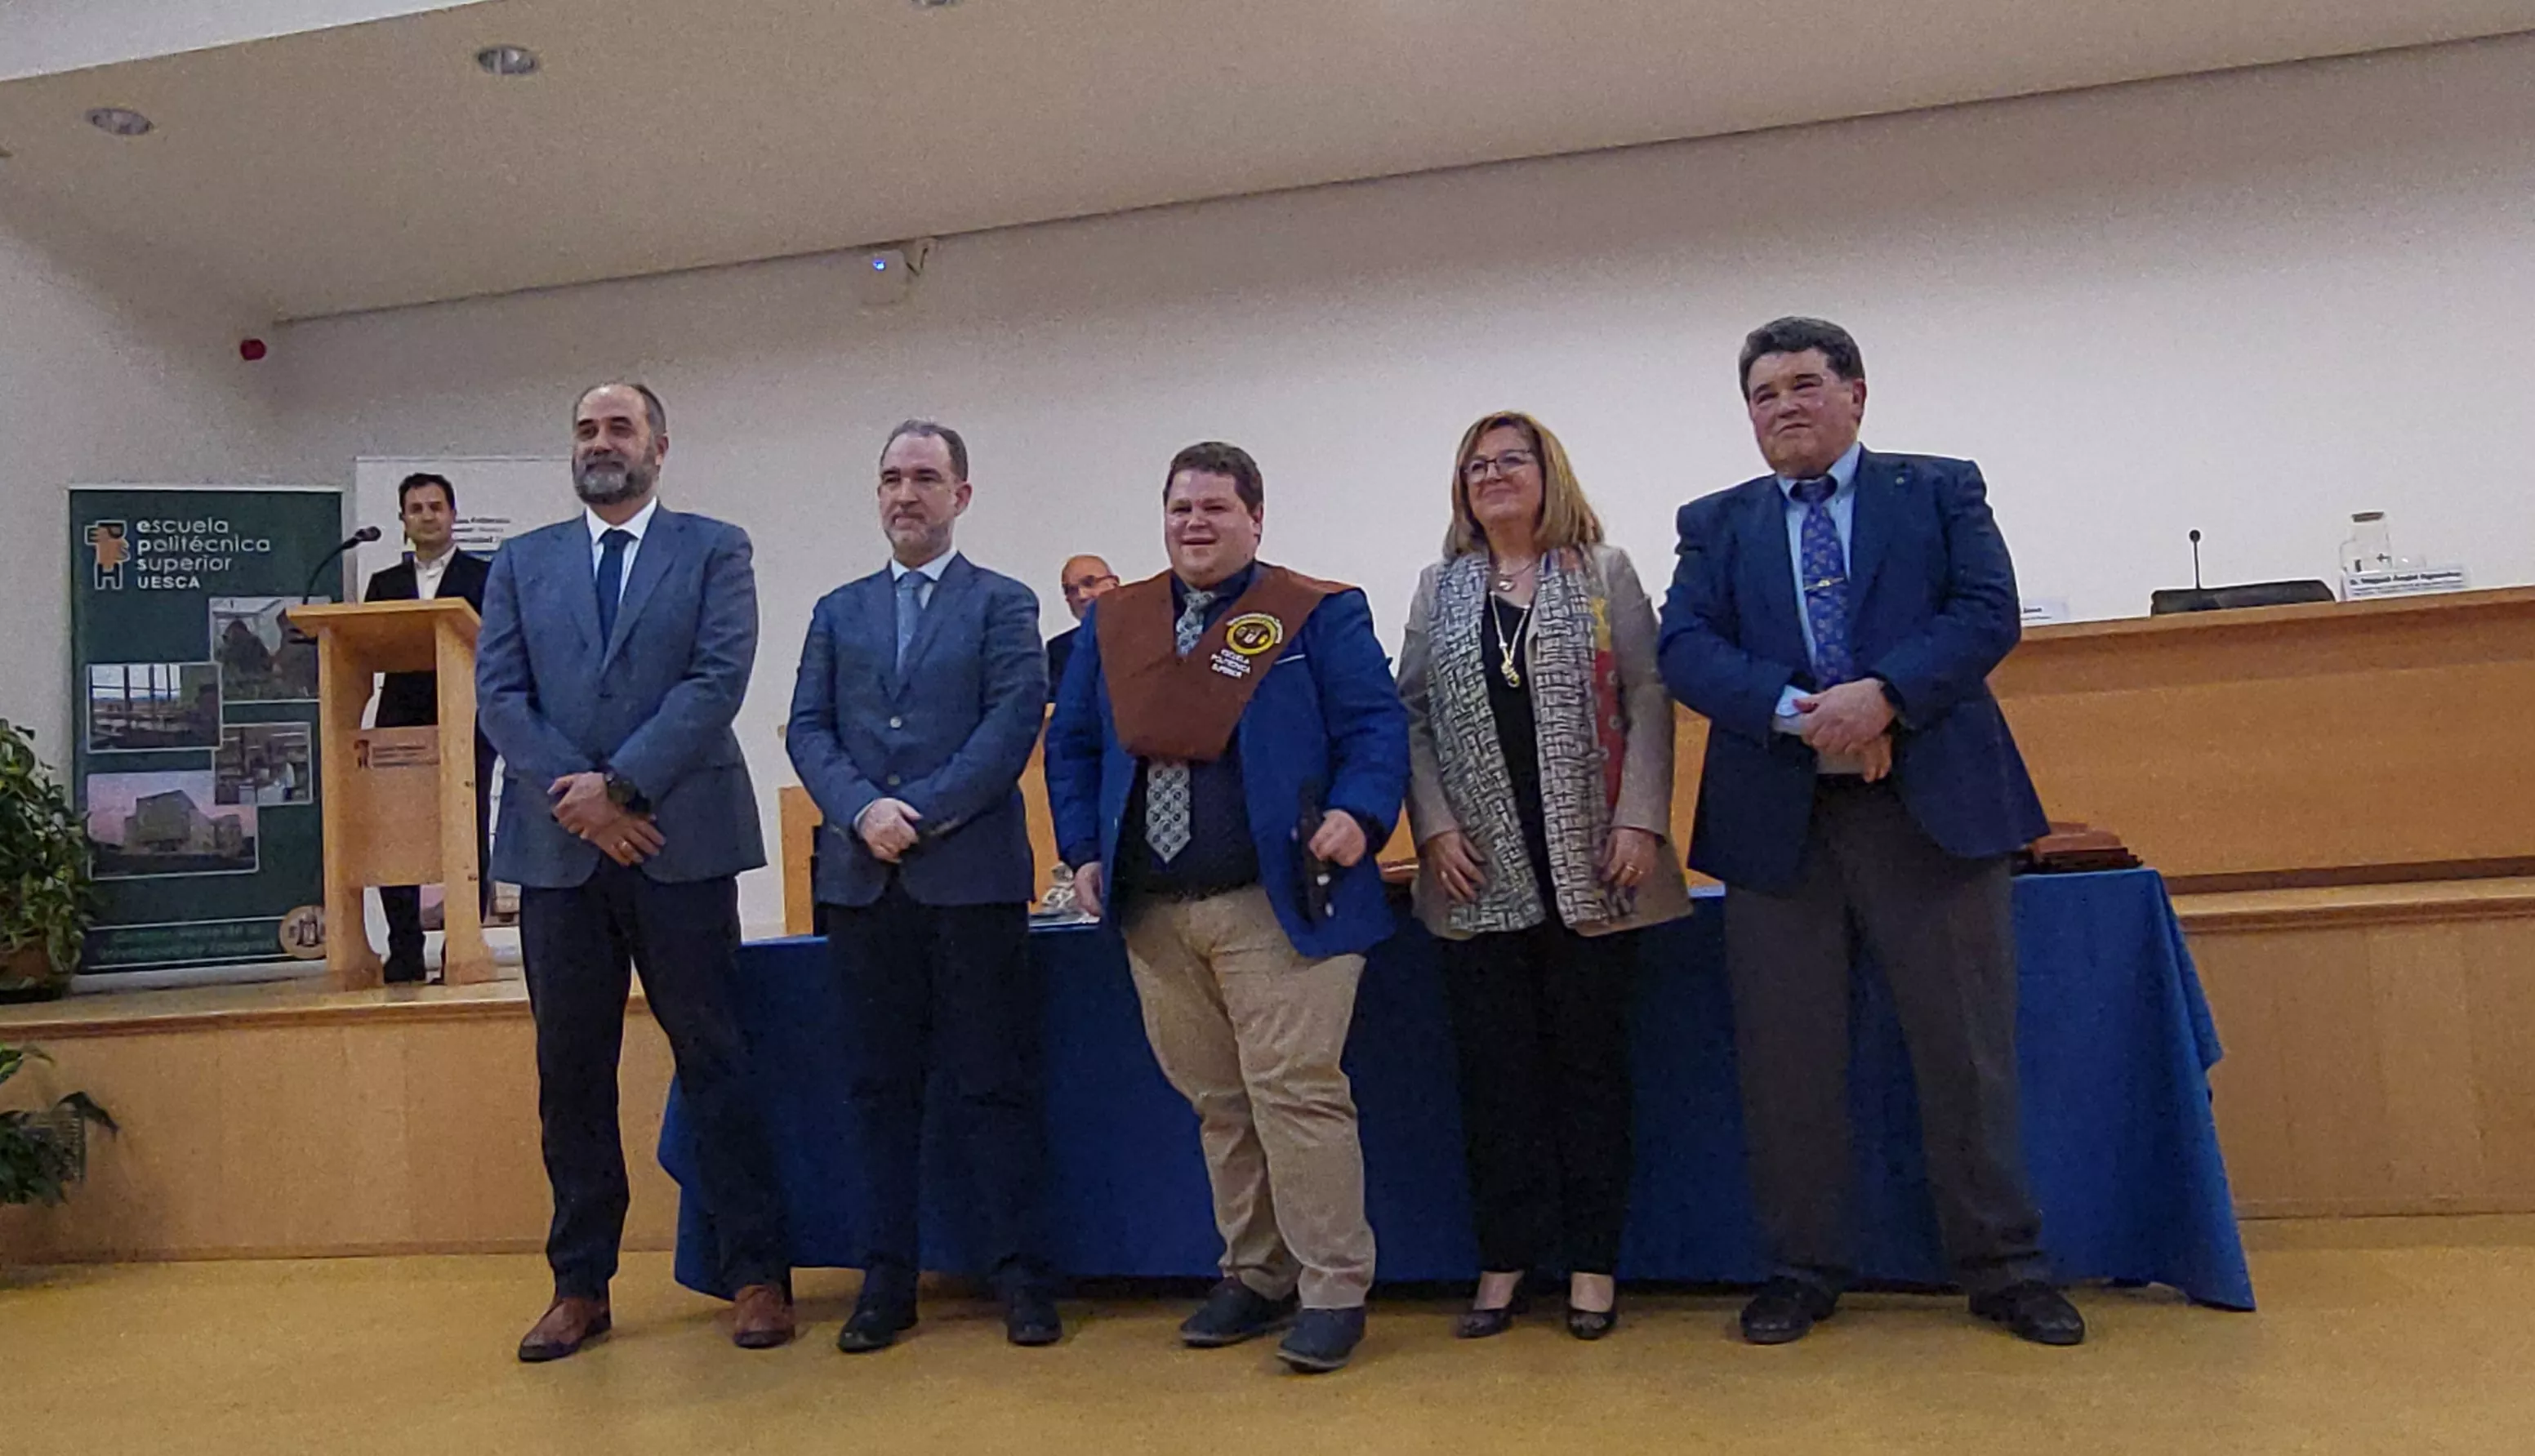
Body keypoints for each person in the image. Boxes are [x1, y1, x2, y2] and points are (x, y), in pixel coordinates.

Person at [1656, 317, 2084, 1347]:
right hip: (1778, 826)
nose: (1783, 407)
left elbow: (1987, 613)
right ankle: (1801, 1268)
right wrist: (1812, 715)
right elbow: (1684, 648)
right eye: (1762, 394)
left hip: (1932, 813)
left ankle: (2004, 1268)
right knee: (1787, 1063)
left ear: (1855, 394)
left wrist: (1884, 696)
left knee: (1964, 1053)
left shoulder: (1937, 489)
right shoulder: (1715, 522)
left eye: (1804, 385)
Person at [1045, 442, 1409, 1374]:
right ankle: (1256, 1272)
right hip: (1156, 908)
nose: (1194, 523)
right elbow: (1075, 745)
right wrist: (1081, 848)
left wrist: (1359, 814)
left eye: (1214, 507)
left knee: (1295, 1091)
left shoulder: (1314, 613)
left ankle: (1332, 1285)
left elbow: (1375, 725)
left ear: (1256, 517)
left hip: (1282, 900)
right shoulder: (1114, 622)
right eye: (1179, 509)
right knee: (1218, 1102)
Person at [476, 382, 794, 1360]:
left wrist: (621, 790)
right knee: (569, 1075)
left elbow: (716, 678)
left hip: (679, 842)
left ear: (660, 444)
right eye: (584, 429)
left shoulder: (713, 546)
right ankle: (580, 1286)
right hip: (557, 853)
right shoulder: (522, 563)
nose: (599, 443)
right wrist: (579, 800)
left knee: (716, 1060)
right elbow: (499, 694)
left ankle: (756, 1275)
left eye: (619, 427)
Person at [1396, 412, 1690, 1342]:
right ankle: (1503, 1260)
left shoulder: (1602, 573)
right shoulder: (1437, 588)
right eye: (1475, 465)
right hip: (1477, 876)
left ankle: (1593, 1266)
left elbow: (1646, 694)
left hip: (1598, 866)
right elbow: (1408, 715)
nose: (1492, 476)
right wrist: (1433, 827)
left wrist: (1641, 816)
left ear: (1545, 473)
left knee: (1589, 1076)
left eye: (1510, 460)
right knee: (1494, 1084)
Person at [786, 421, 1058, 1352]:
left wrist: (919, 814)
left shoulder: (1003, 604)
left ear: (961, 495)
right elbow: (806, 731)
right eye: (891, 479)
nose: (906, 494)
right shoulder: (836, 609)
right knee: (876, 1090)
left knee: (993, 1084)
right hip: (863, 887)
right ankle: (885, 1281)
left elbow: (1009, 724)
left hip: (971, 884)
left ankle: (1020, 1276)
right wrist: (863, 812)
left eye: (925, 478)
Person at [363, 472, 496, 984]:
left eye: (436, 507)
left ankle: (461, 945)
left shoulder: (484, 578)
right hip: (400, 719)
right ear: (403, 521)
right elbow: (369, 646)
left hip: (465, 718)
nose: (426, 516)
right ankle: (403, 947)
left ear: (453, 515)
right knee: (394, 832)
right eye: (415, 508)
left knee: (467, 827)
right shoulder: (385, 585)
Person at [1046, 554, 1120, 696]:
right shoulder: (1059, 649)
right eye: (1071, 590)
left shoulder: (1146, 631)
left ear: (1114, 584)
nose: (1082, 595)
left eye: (1089, 583)